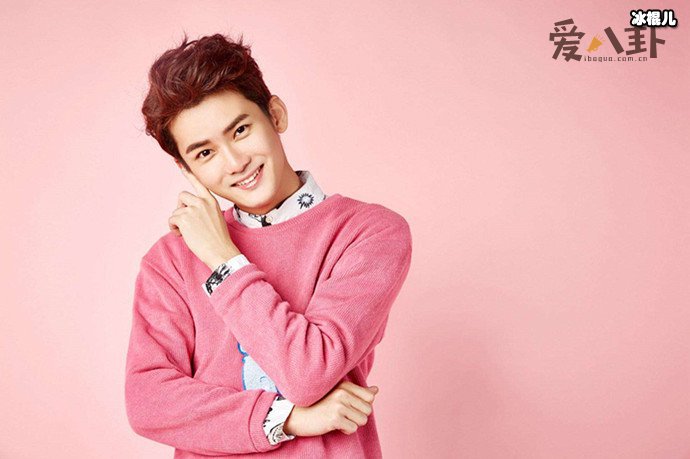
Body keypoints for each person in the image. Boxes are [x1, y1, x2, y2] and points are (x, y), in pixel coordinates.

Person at [124, 32, 412, 458]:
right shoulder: (170, 260)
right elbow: (148, 402)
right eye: (205, 154)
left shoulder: (368, 233)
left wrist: (223, 259)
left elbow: (307, 373)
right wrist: (286, 418)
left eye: (240, 130)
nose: (235, 162)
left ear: (275, 114)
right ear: (187, 169)